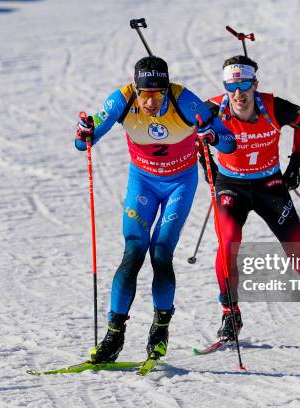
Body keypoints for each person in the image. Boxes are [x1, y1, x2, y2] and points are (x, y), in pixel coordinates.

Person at [75, 56, 236, 362]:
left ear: (166, 90)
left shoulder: (184, 100)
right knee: (133, 251)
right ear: (135, 89)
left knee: (161, 252)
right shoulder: (122, 99)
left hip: (179, 184)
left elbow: (229, 142)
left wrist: (212, 135)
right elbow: (86, 140)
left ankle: (160, 329)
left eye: (157, 95)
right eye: (144, 94)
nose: (150, 102)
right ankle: (114, 335)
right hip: (144, 183)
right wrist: (83, 132)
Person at [199, 55, 300, 346]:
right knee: (228, 242)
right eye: (231, 86)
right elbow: (191, 131)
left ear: (254, 84)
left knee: (299, 252)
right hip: (231, 184)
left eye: (244, 84)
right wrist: (204, 160)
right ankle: (230, 314)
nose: (238, 93)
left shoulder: (273, 106)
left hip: (269, 185)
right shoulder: (212, 110)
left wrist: (295, 164)